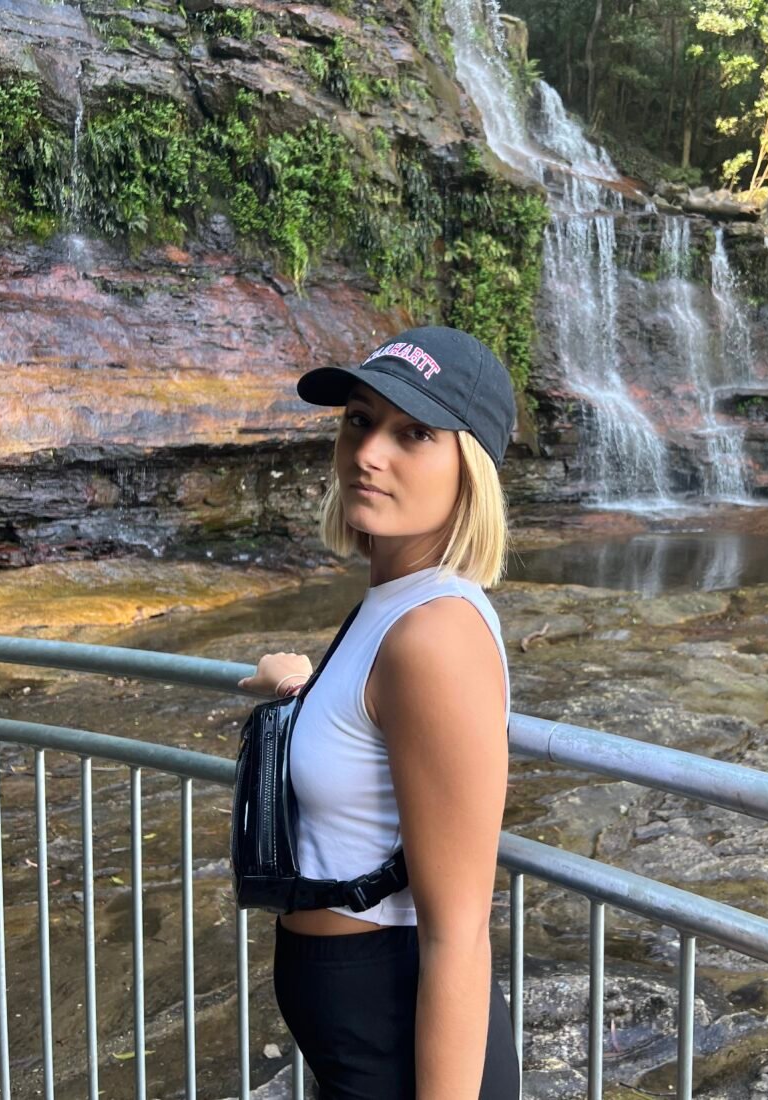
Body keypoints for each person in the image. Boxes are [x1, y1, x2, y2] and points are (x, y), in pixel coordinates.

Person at [236, 325, 522, 1099]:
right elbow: (369, 732)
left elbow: (457, 937)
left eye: (414, 434)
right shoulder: (390, 606)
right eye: (360, 419)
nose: (369, 453)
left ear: (472, 470)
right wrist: (301, 686)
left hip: (406, 1054)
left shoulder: (436, 636)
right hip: (358, 1047)